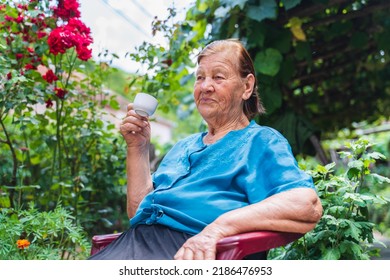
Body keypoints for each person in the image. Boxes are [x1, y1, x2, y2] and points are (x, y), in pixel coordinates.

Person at [89, 39, 323, 260]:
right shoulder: (183, 147)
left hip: (186, 254)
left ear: (247, 86)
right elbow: (138, 212)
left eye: (218, 77)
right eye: (200, 77)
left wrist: (218, 229)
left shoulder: (260, 142)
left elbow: (306, 204)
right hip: (135, 246)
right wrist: (138, 148)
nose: (205, 86)